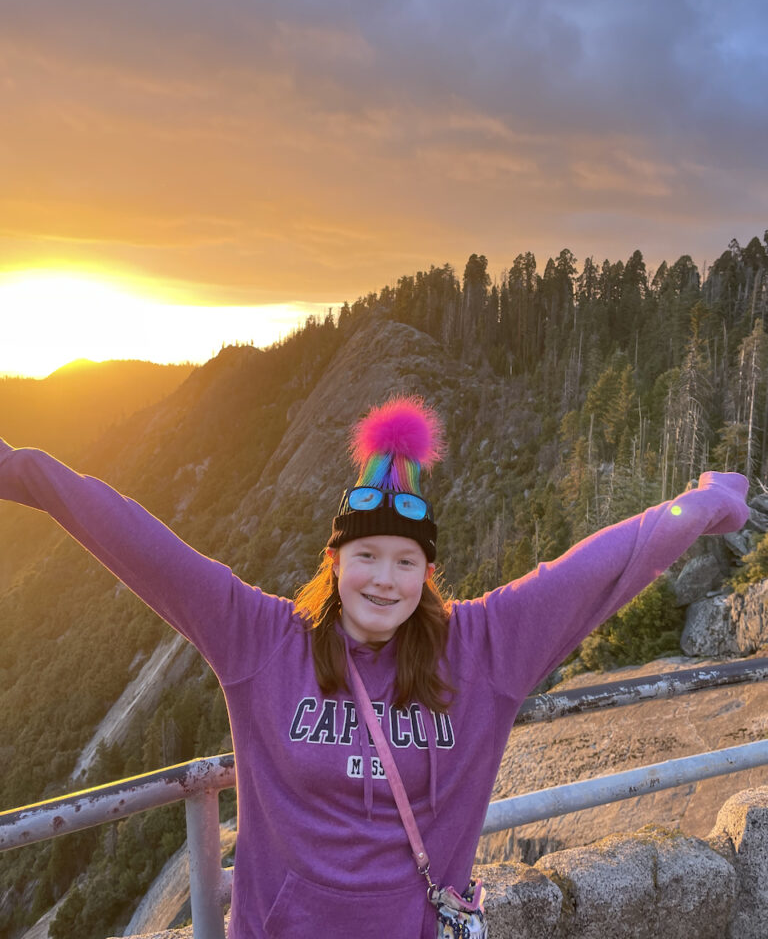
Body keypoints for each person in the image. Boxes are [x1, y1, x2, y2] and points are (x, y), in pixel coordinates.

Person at [0, 395, 750, 939]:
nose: (384, 580)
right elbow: (143, 545)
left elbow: (601, 568)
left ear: (428, 571)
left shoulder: (484, 647)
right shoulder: (263, 639)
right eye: (366, 557)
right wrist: (26, 472)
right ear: (335, 562)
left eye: (405, 561)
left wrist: (703, 503)